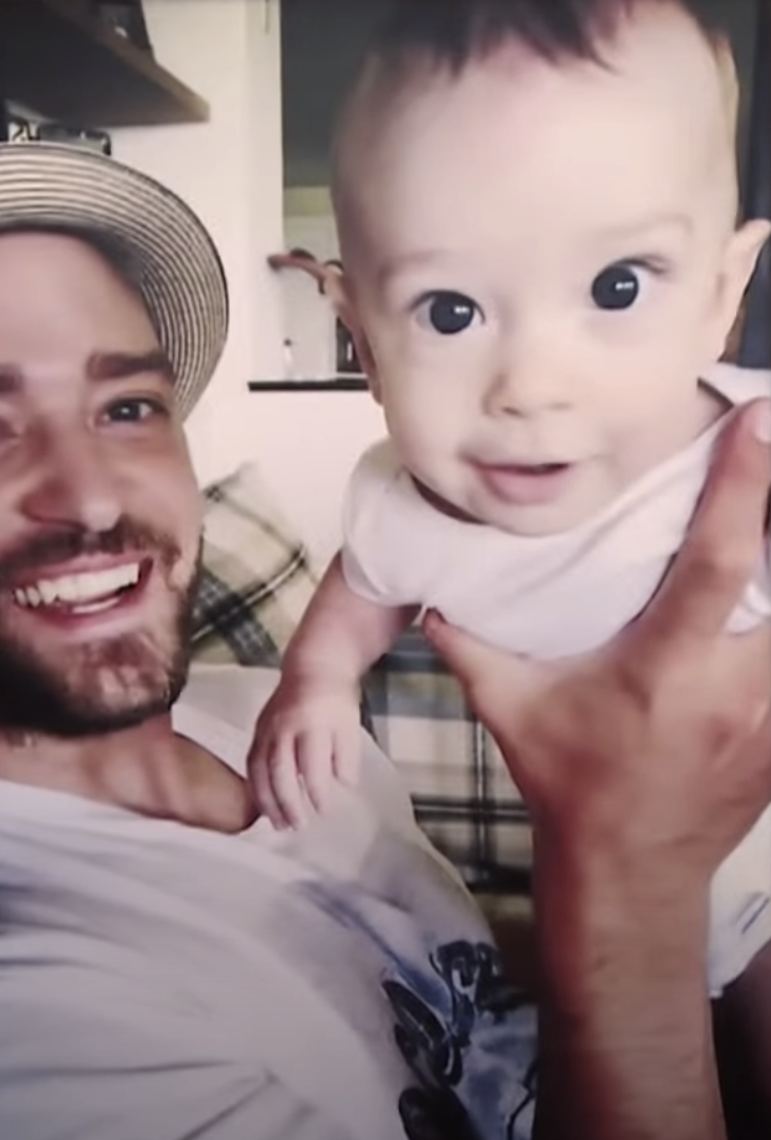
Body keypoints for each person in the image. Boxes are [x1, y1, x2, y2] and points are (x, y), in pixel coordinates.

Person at [0, 108, 766, 1140]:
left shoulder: (252, 711)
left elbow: (461, 1007)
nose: (94, 497)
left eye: (127, 407)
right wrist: (633, 889)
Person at [247, 0, 771, 1004]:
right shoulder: (408, 508)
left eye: (616, 287)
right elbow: (362, 587)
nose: (528, 386)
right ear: (357, 331)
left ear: (721, 292)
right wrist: (311, 686)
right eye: (450, 312)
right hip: (588, 871)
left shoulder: (746, 448)